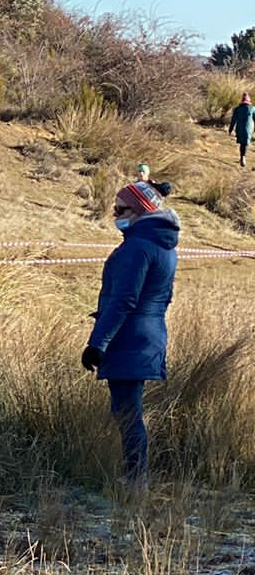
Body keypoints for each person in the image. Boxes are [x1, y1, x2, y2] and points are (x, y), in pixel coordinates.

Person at [82, 180, 178, 487]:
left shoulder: (136, 248)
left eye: (120, 209)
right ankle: (135, 476)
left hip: (128, 339)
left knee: (127, 413)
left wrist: (97, 343)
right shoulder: (164, 245)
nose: (114, 214)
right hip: (149, 336)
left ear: (138, 211)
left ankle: (135, 480)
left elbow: (123, 300)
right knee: (128, 409)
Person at [231, 94, 253, 169]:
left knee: (242, 143)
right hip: (248, 128)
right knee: (245, 143)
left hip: (239, 128)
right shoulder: (252, 108)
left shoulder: (237, 109)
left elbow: (233, 120)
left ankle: (241, 157)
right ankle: (243, 157)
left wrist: (230, 129)